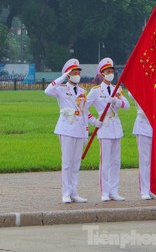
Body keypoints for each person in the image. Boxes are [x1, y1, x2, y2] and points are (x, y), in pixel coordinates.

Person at [45, 58, 99, 203]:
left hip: (79, 129)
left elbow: (84, 111)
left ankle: (74, 192)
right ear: (68, 75)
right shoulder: (61, 89)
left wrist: (91, 125)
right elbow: (47, 90)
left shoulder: (82, 91)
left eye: (77, 72)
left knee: (76, 163)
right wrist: (62, 77)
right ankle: (66, 193)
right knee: (67, 163)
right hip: (66, 128)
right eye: (73, 72)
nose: (77, 75)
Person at [85, 57, 130, 201]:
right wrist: (93, 121)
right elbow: (82, 107)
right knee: (105, 162)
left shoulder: (118, 89)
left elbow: (127, 106)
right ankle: (104, 192)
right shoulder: (95, 91)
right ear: (102, 74)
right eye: (108, 71)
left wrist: (116, 101)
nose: (111, 73)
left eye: (112, 71)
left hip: (116, 126)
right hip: (104, 127)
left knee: (116, 162)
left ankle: (114, 191)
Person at [132, 99, 156, 200]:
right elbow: (132, 93)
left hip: (155, 127)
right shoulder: (140, 88)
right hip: (143, 126)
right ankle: (144, 190)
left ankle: (153, 189)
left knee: (154, 161)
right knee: (145, 161)